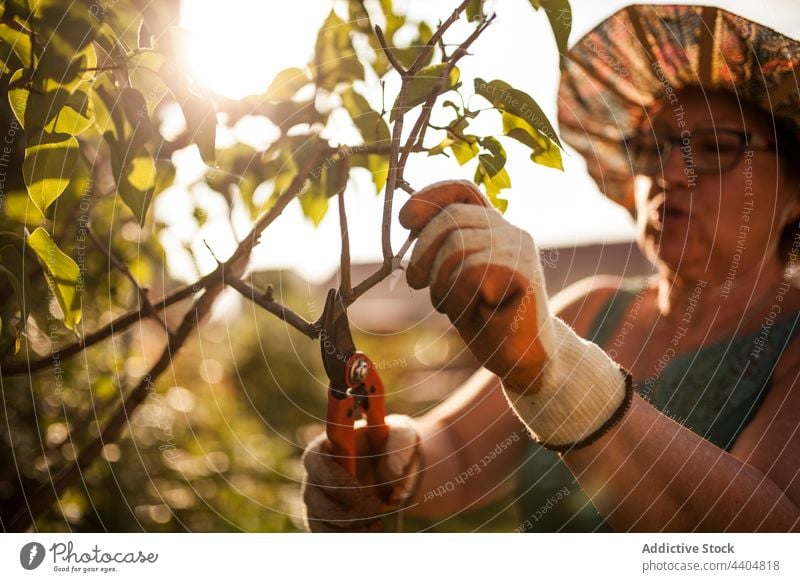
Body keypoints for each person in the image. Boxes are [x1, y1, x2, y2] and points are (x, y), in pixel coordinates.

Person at [301, 4, 800, 532]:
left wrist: (556, 374)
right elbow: (461, 449)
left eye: (715, 147)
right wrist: (385, 460)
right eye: (653, 147)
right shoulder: (592, 308)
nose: (671, 171)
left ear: (794, 191)